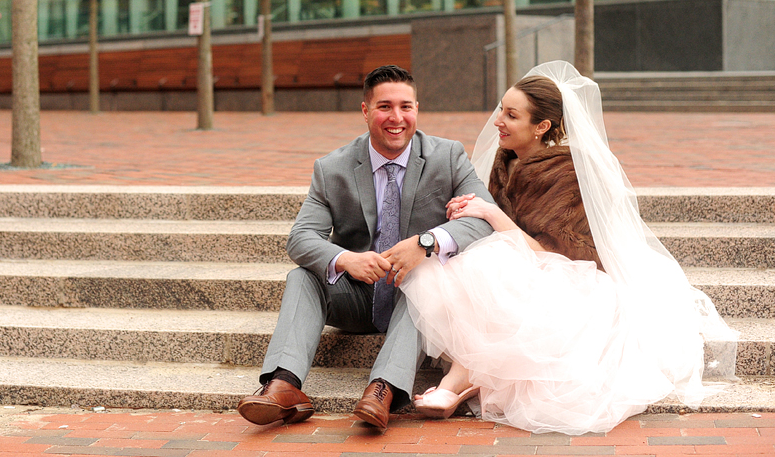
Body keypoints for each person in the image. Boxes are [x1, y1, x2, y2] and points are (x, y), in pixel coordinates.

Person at [401, 60, 737, 435]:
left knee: (492, 262)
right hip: (524, 269)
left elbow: (555, 255)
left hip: (572, 281)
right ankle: (472, 374)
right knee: (444, 265)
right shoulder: (506, 162)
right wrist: (469, 212)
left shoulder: (567, 174)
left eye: (512, 115)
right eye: (501, 110)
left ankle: (457, 380)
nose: (499, 120)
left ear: (541, 127)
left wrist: (492, 215)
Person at [237, 64, 496, 429]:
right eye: (384, 107)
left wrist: (427, 243)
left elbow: (485, 219)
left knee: (425, 278)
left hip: (419, 302)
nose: (397, 117)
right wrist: (346, 260)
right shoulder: (333, 168)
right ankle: (284, 385)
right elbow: (300, 237)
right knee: (301, 277)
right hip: (357, 298)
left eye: (406, 107)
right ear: (365, 111)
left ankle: (382, 390)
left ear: (417, 109)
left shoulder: (448, 156)